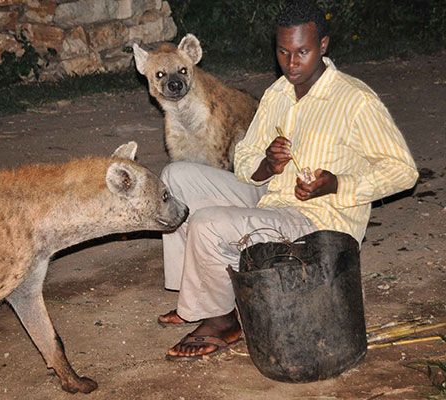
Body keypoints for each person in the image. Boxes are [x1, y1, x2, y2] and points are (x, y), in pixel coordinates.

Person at [158, 0, 419, 360]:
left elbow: (404, 171)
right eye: (283, 52)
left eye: (302, 52)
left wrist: (338, 184)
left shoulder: (355, 100)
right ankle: (196, 299)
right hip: (272, 195)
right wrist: (267, 163)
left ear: (323, 46)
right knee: (175, 179)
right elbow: (246, 160)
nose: (291, 63)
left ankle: (222, 319)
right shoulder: (278, 94)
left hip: (318, 221)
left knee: (206, 223)